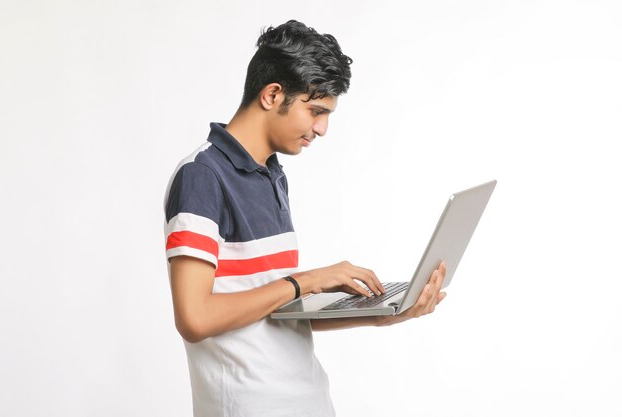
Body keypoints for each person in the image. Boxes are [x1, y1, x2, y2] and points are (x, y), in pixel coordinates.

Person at [163, 20, 447, 417]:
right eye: (315, 110)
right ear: (272, 94)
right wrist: (306, 281)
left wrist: (381, 314)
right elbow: (195, 319)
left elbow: (272, 314)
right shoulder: (202, 176)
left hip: (308, 400)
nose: (322, 128)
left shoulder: (271, 174)